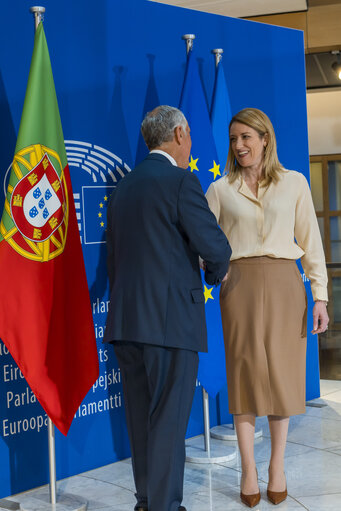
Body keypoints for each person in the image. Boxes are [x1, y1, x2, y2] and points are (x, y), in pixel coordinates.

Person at [104, 105, 231, 511]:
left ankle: (147, 502)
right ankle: (164, 507)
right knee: (168, 424)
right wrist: (214, 272)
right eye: (190, 134)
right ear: (179, 135)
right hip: (169, 324)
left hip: (125, 324)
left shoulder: (122, 186)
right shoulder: (180, 182)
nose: (190, 142)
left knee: (142, 422)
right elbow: (216, 247)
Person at [206, 107, 329, 508]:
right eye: (233, 139)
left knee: (280, 377)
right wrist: (214, 269)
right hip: (238, 287)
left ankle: (276, 467)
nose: (239, 145)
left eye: (246, 137)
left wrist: (320, 296)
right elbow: (203, 239)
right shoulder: (220, 189)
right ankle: (248, 469)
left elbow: (311, 242)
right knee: (244, 374)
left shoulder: (294, 183)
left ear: (264, 139)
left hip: (284, 285)